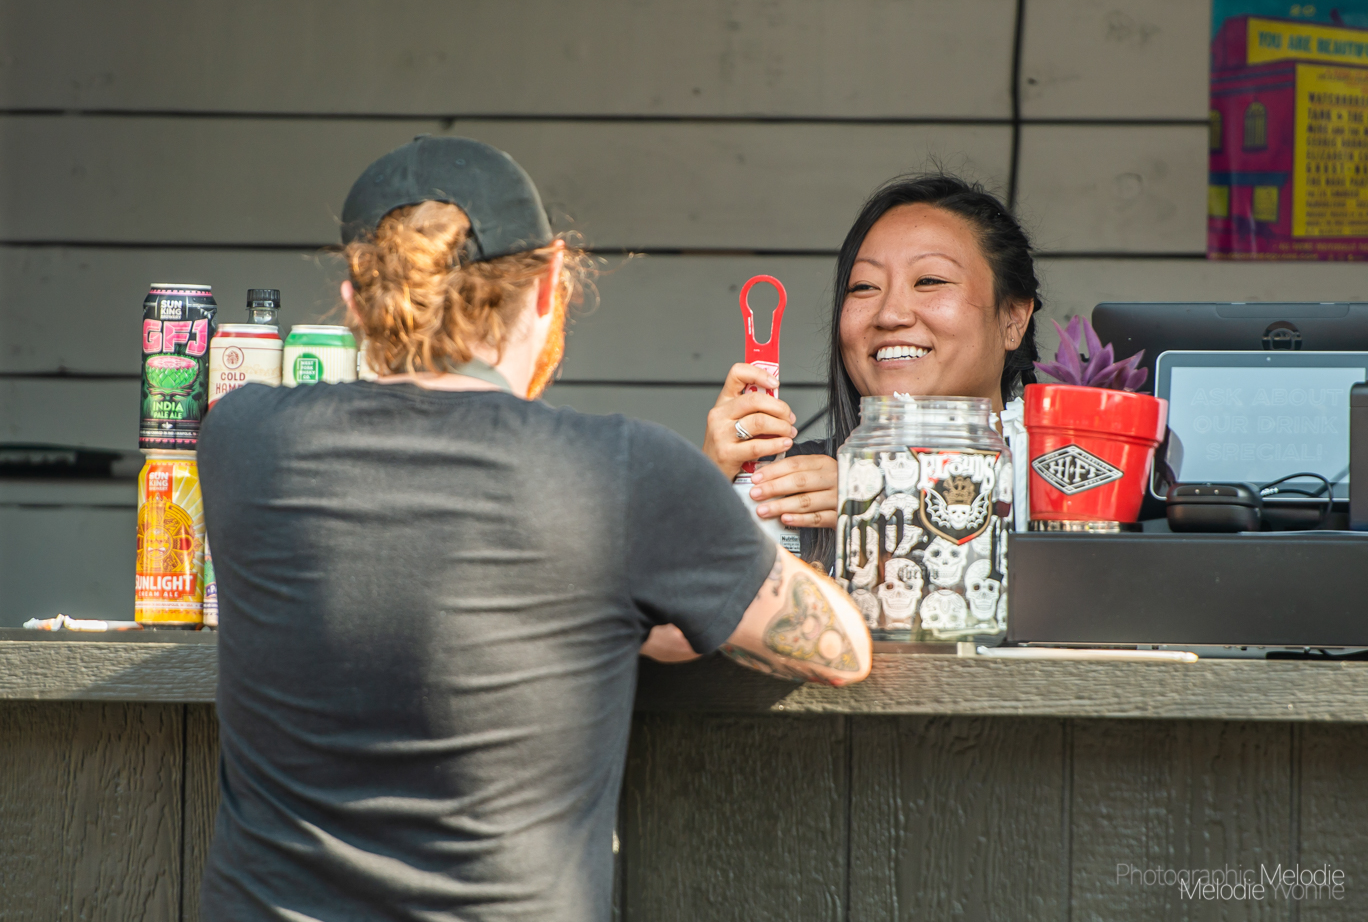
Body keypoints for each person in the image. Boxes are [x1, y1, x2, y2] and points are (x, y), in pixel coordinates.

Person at [196, 136, 871, 922]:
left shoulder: (241, 439)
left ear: (355, 300)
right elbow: (840, 651)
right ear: (551, 283)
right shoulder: (619, 470)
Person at [701, 174, 1042, 566]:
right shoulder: (788, 488)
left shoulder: (1066, 481)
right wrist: (708, 487)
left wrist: (893, 512)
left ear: (1013, 318)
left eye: (929, 280)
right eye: (864, 286)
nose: (890, 314)